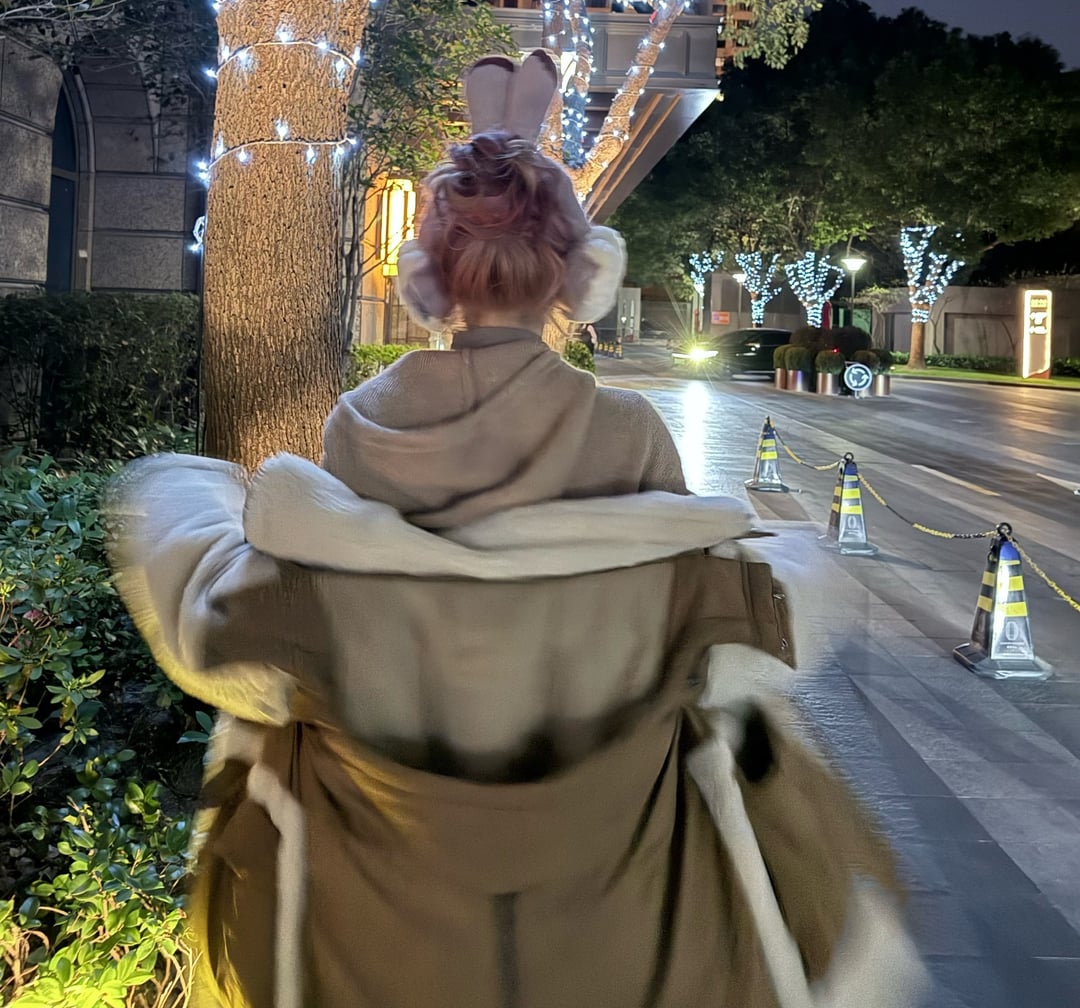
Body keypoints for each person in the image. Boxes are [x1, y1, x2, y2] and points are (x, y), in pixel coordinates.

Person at [109, 53, 924, 1008]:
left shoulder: (358, 428)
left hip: (374, 945)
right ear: (578, 276)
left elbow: (278, 602)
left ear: (426, 277)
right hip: (632, 935)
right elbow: (706, 618)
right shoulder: (629, 432)